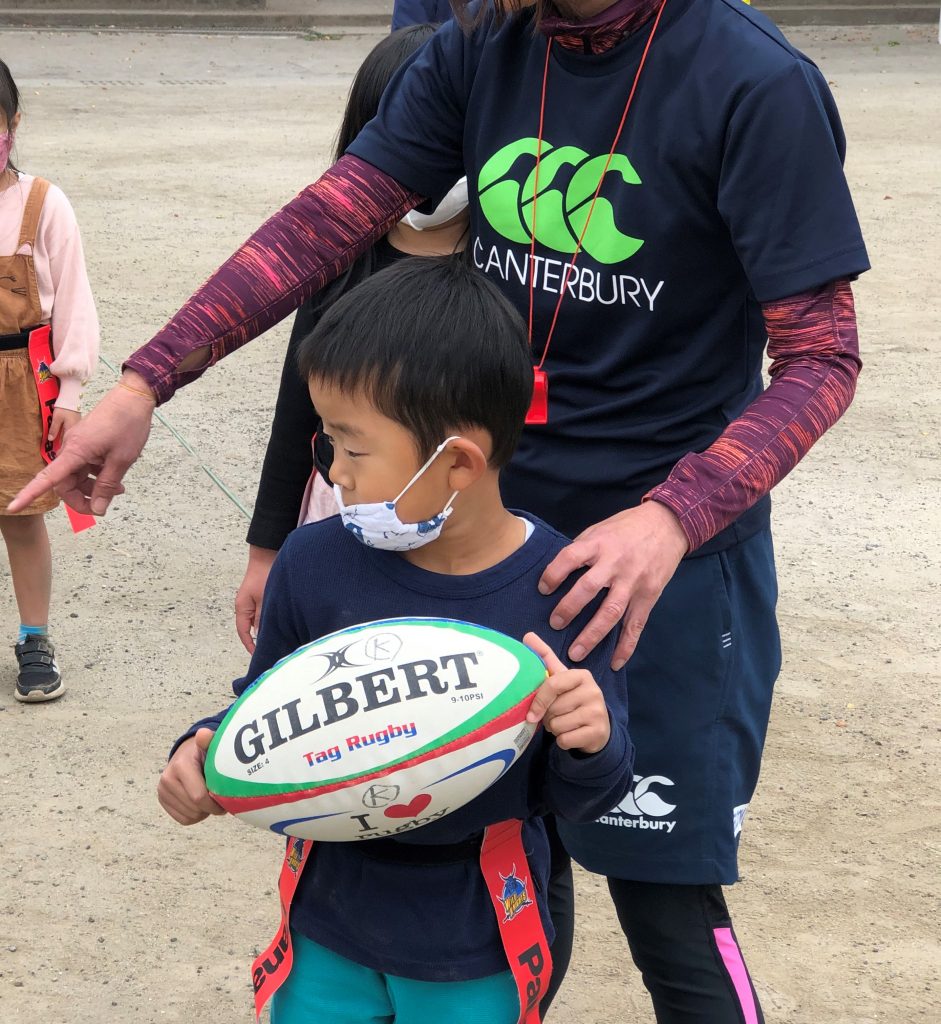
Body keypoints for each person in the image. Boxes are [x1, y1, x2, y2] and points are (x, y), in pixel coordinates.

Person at [13, 1, 869, 1018]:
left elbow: (821, 359)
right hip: (485, 529)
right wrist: (146, 382)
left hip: (661, 558)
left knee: (668, 904)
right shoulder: (485, 44)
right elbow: (323, 225)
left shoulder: (753, 82)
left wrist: (671, 517)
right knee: (505, 862)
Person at [156, 256, 633, 1024]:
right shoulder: (312, 563)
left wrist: (590, 739)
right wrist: (203, 752)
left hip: (477, 940)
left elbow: (589, 794)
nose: (335, 473)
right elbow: (266, 707)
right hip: (324, 923)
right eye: (328, 445)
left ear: (457, 464)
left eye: (352, 447)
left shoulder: (566, 592)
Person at [236, 22, 470, 656]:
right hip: (343, 508)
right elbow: (296, 408)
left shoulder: (509, 263)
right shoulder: (337, 260)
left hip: (462, 516)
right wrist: (267, 552)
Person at [0, 58, 99, 702]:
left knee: (21, 516)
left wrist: (70, 394)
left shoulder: (43, 204)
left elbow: (75, 305)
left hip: (18, 387)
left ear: (12, 124)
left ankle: (35, 637)